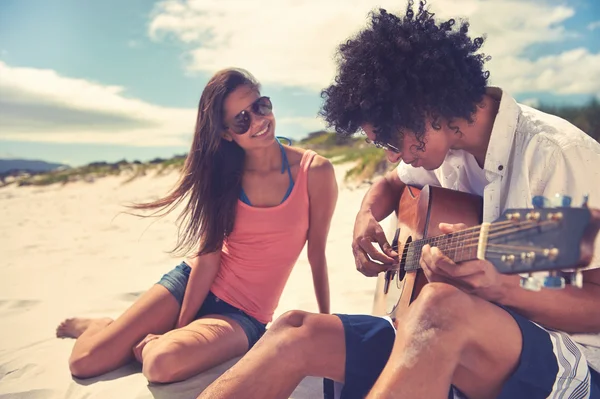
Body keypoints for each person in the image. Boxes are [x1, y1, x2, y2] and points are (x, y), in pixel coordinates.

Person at [197, 2, 600, 398]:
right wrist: (365, 216)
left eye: (390, 140)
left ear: (423, 107)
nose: (391, 155)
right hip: (444, 341)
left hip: (571, 363)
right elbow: (390, 184)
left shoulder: (555, 154)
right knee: (295, 332)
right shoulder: (443, 150)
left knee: (441, 307)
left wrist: (503, 289)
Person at [55, 68, 337, 384]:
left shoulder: (316, 171)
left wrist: (326, 324)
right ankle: (98, 326)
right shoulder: (225, 175)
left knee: (160, 363)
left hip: (241, 315)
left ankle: (144, 339)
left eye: (260, 106)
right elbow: (209, 255)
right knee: (84, 362)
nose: (258, 121)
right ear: (227, 133)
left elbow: (316, 254)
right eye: (241, 120)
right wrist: (181, 325)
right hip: (190, 282)